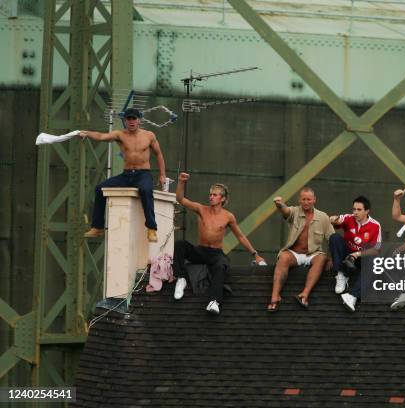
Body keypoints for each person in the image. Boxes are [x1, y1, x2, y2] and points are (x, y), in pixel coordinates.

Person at [172, 172, 265, 315]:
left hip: (216, 254)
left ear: (222, 199)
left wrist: (255, 255)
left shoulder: (228, 216)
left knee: (221, 265)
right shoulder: (201, 209)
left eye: (215, 195)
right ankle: (181, 278)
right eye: (210, 194)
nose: (211, 197)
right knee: (179, 244)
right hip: (200, 250)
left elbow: (240, 236)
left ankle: (214, 301)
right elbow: (180, 199)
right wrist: (181, 182)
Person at [81, 108, 166, 242]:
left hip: (143, 174)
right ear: (125, 121)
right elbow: (102, 136)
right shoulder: (120, 135)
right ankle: (97, 227)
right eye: (129, 119)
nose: (131, 122)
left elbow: (159, 154)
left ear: (139, 120)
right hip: (126, 175)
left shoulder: (149, 135)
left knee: (145, 190)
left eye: (134, 119)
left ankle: (151, 228)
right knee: (99, 189)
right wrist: (87, 133)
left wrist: (162, 175)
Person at [266, 187, 335, 312]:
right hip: (294, 253)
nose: (306, 202)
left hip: (313, 254)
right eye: (303, 199)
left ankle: (304, 294)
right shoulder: (294, 211)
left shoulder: (323, 217)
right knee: (283, 258)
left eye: (309, 199)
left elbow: (332, 239)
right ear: (299, 200)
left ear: (314, 200)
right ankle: (275, 297)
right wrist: (279, 204)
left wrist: (330, 258)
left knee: (322, 259)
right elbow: (285, 211)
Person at [328, 196, 382, 312]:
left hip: (361, 258)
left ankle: (352, 296)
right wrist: (334, 218)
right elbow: (339, 219)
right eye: (354, 209)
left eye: (359, 209)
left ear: (367, 211)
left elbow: (376, 249)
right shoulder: (349, 218)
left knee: (376, 262)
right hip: (346, 255)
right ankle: (341, 274)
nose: (355, 212)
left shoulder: (375, 225)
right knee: (335, 237)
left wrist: (357, 254)